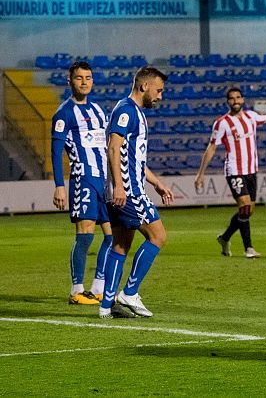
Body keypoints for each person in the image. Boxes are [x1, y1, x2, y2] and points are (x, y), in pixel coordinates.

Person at [194, 88, 266, 258]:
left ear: (243, 99)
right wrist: (200, 174)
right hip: (234, 170)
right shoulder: (222, 123)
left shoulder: (251, 117)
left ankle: (225, 238)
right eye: (232, 99)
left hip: (251, 170)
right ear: (228, 102)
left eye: (238, 97)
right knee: (245, 206)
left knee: (248, 211)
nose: (235, 101)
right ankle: (249, 249)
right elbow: (212, 147)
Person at [99, 66, 174, 319]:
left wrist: (156, 182)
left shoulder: (135, 113)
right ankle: (130, 293)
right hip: (129, 191)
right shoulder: (126, 110)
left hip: (126, 187)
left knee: (120, 244)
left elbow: (135, 159)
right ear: (144, 86)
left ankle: (106, 306)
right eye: (159, 90)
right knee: (158, 236)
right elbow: (113, 148)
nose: (160, 96)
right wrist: (120, 185)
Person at [50, 61, 113, 305]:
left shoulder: (98, 111)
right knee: (85, 233)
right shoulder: (64, 113)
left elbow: (107, 146)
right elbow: (56, 152)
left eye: (88, 77)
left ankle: (97, 288)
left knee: (112, 235)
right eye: (79, 78)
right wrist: (59, 185)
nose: (84, 81)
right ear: (70, 81)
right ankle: (76, 290)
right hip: (83, 178)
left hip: (104, 180)